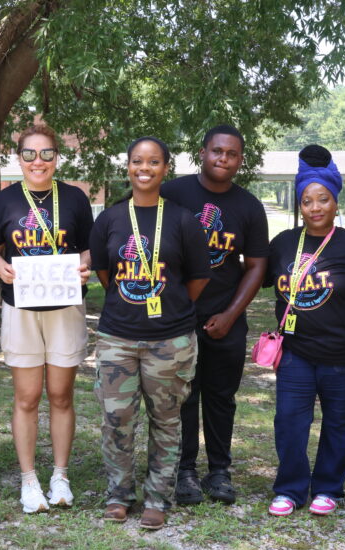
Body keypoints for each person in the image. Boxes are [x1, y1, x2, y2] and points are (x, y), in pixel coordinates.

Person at [89, 137, 211, 529]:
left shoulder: (181, 219)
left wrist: (167, 305)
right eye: (138, 161)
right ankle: (120, 494)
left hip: (170, 340)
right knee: (116, 419)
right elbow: (106, 276)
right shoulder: (109, 219)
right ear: (128, 166)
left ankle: (158, 497)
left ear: (164, 168)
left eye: (154, 161)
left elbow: (197, 278)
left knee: (167, 420)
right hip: (117, 338)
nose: (145, 168)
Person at [0, 124, 94, 513]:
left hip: (65, 307)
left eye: (46, 154)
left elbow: (89, 249)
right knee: (27, 397)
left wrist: (84, 266)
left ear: (56, 158)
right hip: (21, 307)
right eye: (30, 154)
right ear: (19, 158)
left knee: (61, 395)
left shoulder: (75, 199)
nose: (38, 162)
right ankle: (29, 479)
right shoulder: (4, 202)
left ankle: (60, 476)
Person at [161, 124, 269, 505]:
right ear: (203, 152)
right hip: (177, 315)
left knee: (222, 397)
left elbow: (256, 266)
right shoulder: (171, 192)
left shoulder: (248, 206)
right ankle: (185, 470)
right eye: (217, 151)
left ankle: (219, 471)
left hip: (226, 316)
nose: (224, 159)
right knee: (183, 395)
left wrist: (229, 314)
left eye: (232, 154)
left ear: (241, 160)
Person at [264, 145, 345, 518]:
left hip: (343, 352)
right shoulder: (283, 244)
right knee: (290, 421)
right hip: (295, 352)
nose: (315, 207)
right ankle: (290, 488)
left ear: (335, 201)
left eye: (323, 199)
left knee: (338, 422)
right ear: (299, 204)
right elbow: (253, 278)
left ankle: (328, 487)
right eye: (307, 200)